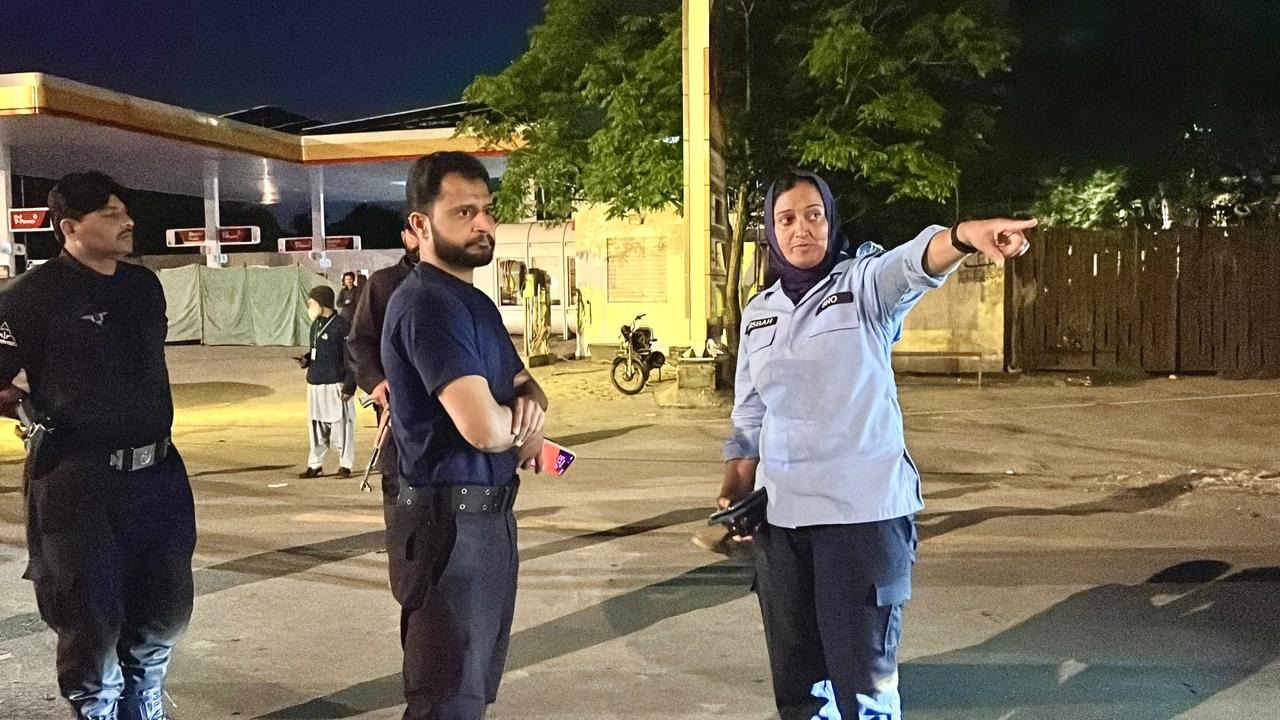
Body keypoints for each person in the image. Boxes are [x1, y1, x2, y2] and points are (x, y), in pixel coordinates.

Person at [720, 169, 1035, 720]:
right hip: (783, 522)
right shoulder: (759, 312)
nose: (801, 229)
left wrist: (964, 236)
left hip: (861, 519)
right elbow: (750, 410)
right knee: (799, 688)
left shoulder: (862, 286)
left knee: (862, 687)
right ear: (769, 229)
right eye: (786, 219)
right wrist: (735, 485)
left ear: (831, 220)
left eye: (814, 215)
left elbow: (914, 263)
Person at [0, 171, 196, 720]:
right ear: (70, 227)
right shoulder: (28, 297)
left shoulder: (144, 287)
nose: (127, 221)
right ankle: (96, 707)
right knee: (89, 615)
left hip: (159, 473)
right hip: (78, 479)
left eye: (124, 210)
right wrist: (27, 410)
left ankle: (144, 697)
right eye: (110, 214)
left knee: (166, 608)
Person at [381, 151, 548, 719]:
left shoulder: (474, 303)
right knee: (446, 701)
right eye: (463, 212)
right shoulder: (427, 305)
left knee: (469, 695)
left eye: (487, 210)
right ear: (421, 224)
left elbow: (527, 388)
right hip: (446, 530)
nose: (483, 223)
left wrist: (525, 412)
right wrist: (517, 424)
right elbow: (483, 430)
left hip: (489, 522)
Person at [298, 284, 357, 478]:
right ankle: (315, 464)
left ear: (322, 303)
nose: (309, 307)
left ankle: (345, 464)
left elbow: (351, 357)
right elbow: (317, 350)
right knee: (316, 425)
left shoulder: (342, 326)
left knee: (342, 425)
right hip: (315, 382)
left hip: (336, 383)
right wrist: (308, 359)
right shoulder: (315, 325)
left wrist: (350, 385)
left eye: (311, 303)